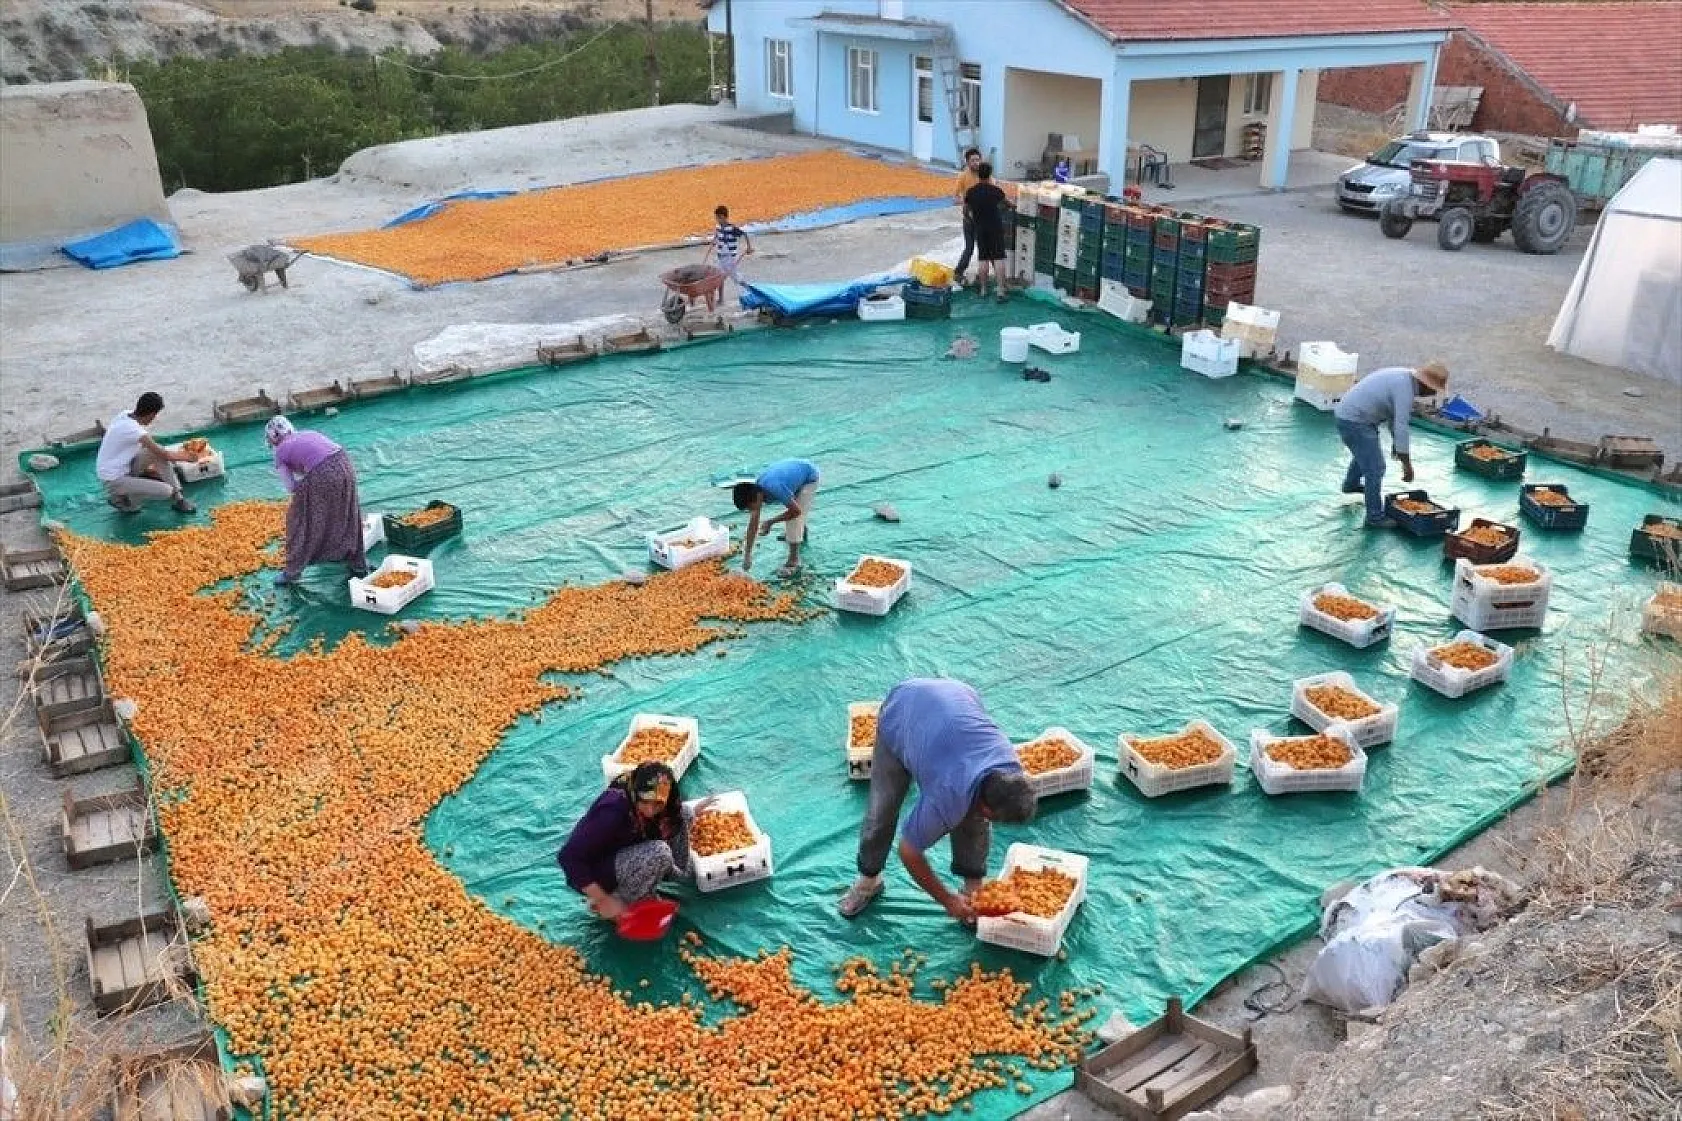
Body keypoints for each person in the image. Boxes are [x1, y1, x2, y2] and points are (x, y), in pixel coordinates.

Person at [838, 678, 1038, 923]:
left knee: (973, 820)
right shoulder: (949, 792)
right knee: (882, 810)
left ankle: (972, 889)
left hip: (957, 696)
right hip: (902, 712)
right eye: (991, 815)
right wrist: (946, 900)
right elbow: (909, 851)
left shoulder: (1010, 768)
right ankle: (868, 881)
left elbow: (982, 810)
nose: (988, 819)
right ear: (987, 806)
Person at [557, 762, 696, 923]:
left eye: (658, 804)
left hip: (628, 847)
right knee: (660, 852)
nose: (650, 810)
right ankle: (625, 899)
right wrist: (602, 899)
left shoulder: (661, 798)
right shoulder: (612, 810)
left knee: (685, 814)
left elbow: (674, 815)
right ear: (635, 793)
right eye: (644, 801)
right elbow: (568, 857)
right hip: (600, 870)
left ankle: (660, 873)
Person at [1333, 362, 1449, 529]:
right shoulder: (1405, 390)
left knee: (1365, 454)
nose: (1432, 394)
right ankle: (1374, 517)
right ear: (1425, 385)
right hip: (1355, 420)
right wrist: (1407, 465)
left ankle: (1351, 485)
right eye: (1433, 390)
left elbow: (1393, 418)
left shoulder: (1403, 378)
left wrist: (1397, 445)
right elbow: (1401, 425)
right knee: (1376, 468)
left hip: (1351, 415)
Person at [265, 416, 368, 586]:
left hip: (323, 473)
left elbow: (291, 487)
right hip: (345, 464)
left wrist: (306, 487)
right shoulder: (307, 433)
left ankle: (292, 571)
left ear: (273, 438)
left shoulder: (280, 451)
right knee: (346, 512)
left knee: (298, 519)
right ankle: (357, 563)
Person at [94, 392, 198, 515]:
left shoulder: (125, 414)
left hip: (123, 466)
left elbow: (154, 449)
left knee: (156, 451)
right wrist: (187, 457)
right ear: (152, 414)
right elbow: (165, 455)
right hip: (114, 479)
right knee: (166, 491)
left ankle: (179, 499)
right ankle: (121, 500)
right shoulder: (133, 430)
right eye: (155, 415)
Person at [732, 457, 819, 578]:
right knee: (794, 515)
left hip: (809, 477)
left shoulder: (775, 488)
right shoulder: (756, 491)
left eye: (751, 507)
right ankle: (800, 532)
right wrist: (747, 556)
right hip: (793, 474)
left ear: (756, 497)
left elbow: (795, 511)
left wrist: (770, 522)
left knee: (793, 519)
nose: (753, 511)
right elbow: (753, 524)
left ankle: (793, 561)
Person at [963, 163, 1010, 303]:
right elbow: (1007, 204)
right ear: (990, 174)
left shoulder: (971, 192)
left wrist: (971, 217)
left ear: (978, 174)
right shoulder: (996, 191)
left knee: (983, 259)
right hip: (995, 227)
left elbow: (965, 210)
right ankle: (1001, 291)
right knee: (999, 258)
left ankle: (983, 290)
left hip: (980, 228)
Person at [702, 204, 753, 294]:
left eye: (719, 218)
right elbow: (717, 235)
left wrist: (749, 247)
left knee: (736, 278)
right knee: (719, 277)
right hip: (720, 256)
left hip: (730, 258)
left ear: (724, 217)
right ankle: (721, 298)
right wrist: (714, 241)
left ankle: (750, 290)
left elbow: (744, 234)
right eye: (717, 218)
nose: (717, 220)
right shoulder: (718, 227)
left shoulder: (732, 228)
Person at [951, 147, 983, 285]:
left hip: (983, 217)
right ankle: (958, 273)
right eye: (973, 160)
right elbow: (955, 197)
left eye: (978, 160)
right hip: (969, 218)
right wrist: (966, 202)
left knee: (984, 248)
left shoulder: (985, 174)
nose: (976, 163)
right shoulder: (963, 176)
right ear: (967, 162)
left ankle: (982, 275)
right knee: (969, 248)